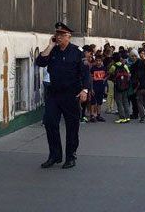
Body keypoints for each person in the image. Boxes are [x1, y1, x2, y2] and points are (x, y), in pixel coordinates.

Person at [36, 22, 89, 169]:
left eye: (61, 35)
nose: (58, 37)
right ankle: (55, 155)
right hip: (54, 94)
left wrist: (85, 90)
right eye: (56, 34)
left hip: (71, 95)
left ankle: (70, 156)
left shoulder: (77, 52)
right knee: (50, 123)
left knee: (72, 127)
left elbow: (85, 73)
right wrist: (50, 45)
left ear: (68, 36)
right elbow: (39, 62)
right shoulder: (53, 50)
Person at [108, 52, 131, 123]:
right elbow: (129, 74)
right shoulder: (125, 65)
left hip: (117, 86)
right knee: (125, 101)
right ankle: (127, 117)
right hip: (125, 86)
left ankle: (122, 117)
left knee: (119, 102)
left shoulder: (113, 66)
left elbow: (110, 73)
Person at [133, 50, 145, 123]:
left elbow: (135, 80)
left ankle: (142, 117)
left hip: (139, 88)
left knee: (139, 103)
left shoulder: (137, 73)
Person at [89, 55, 107, 122]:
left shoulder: (104, 68)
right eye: (97, 61)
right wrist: (91, 88)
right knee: (93, 102)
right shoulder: (93, 69)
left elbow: (105, 79)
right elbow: (90, 79)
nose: (98, 62)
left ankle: (98, 115)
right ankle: (92, 115)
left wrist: (105, 87)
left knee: (99, 102)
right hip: (94, 87)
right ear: (95, 61)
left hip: (101, 87)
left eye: (99, 61)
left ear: (101, 61)